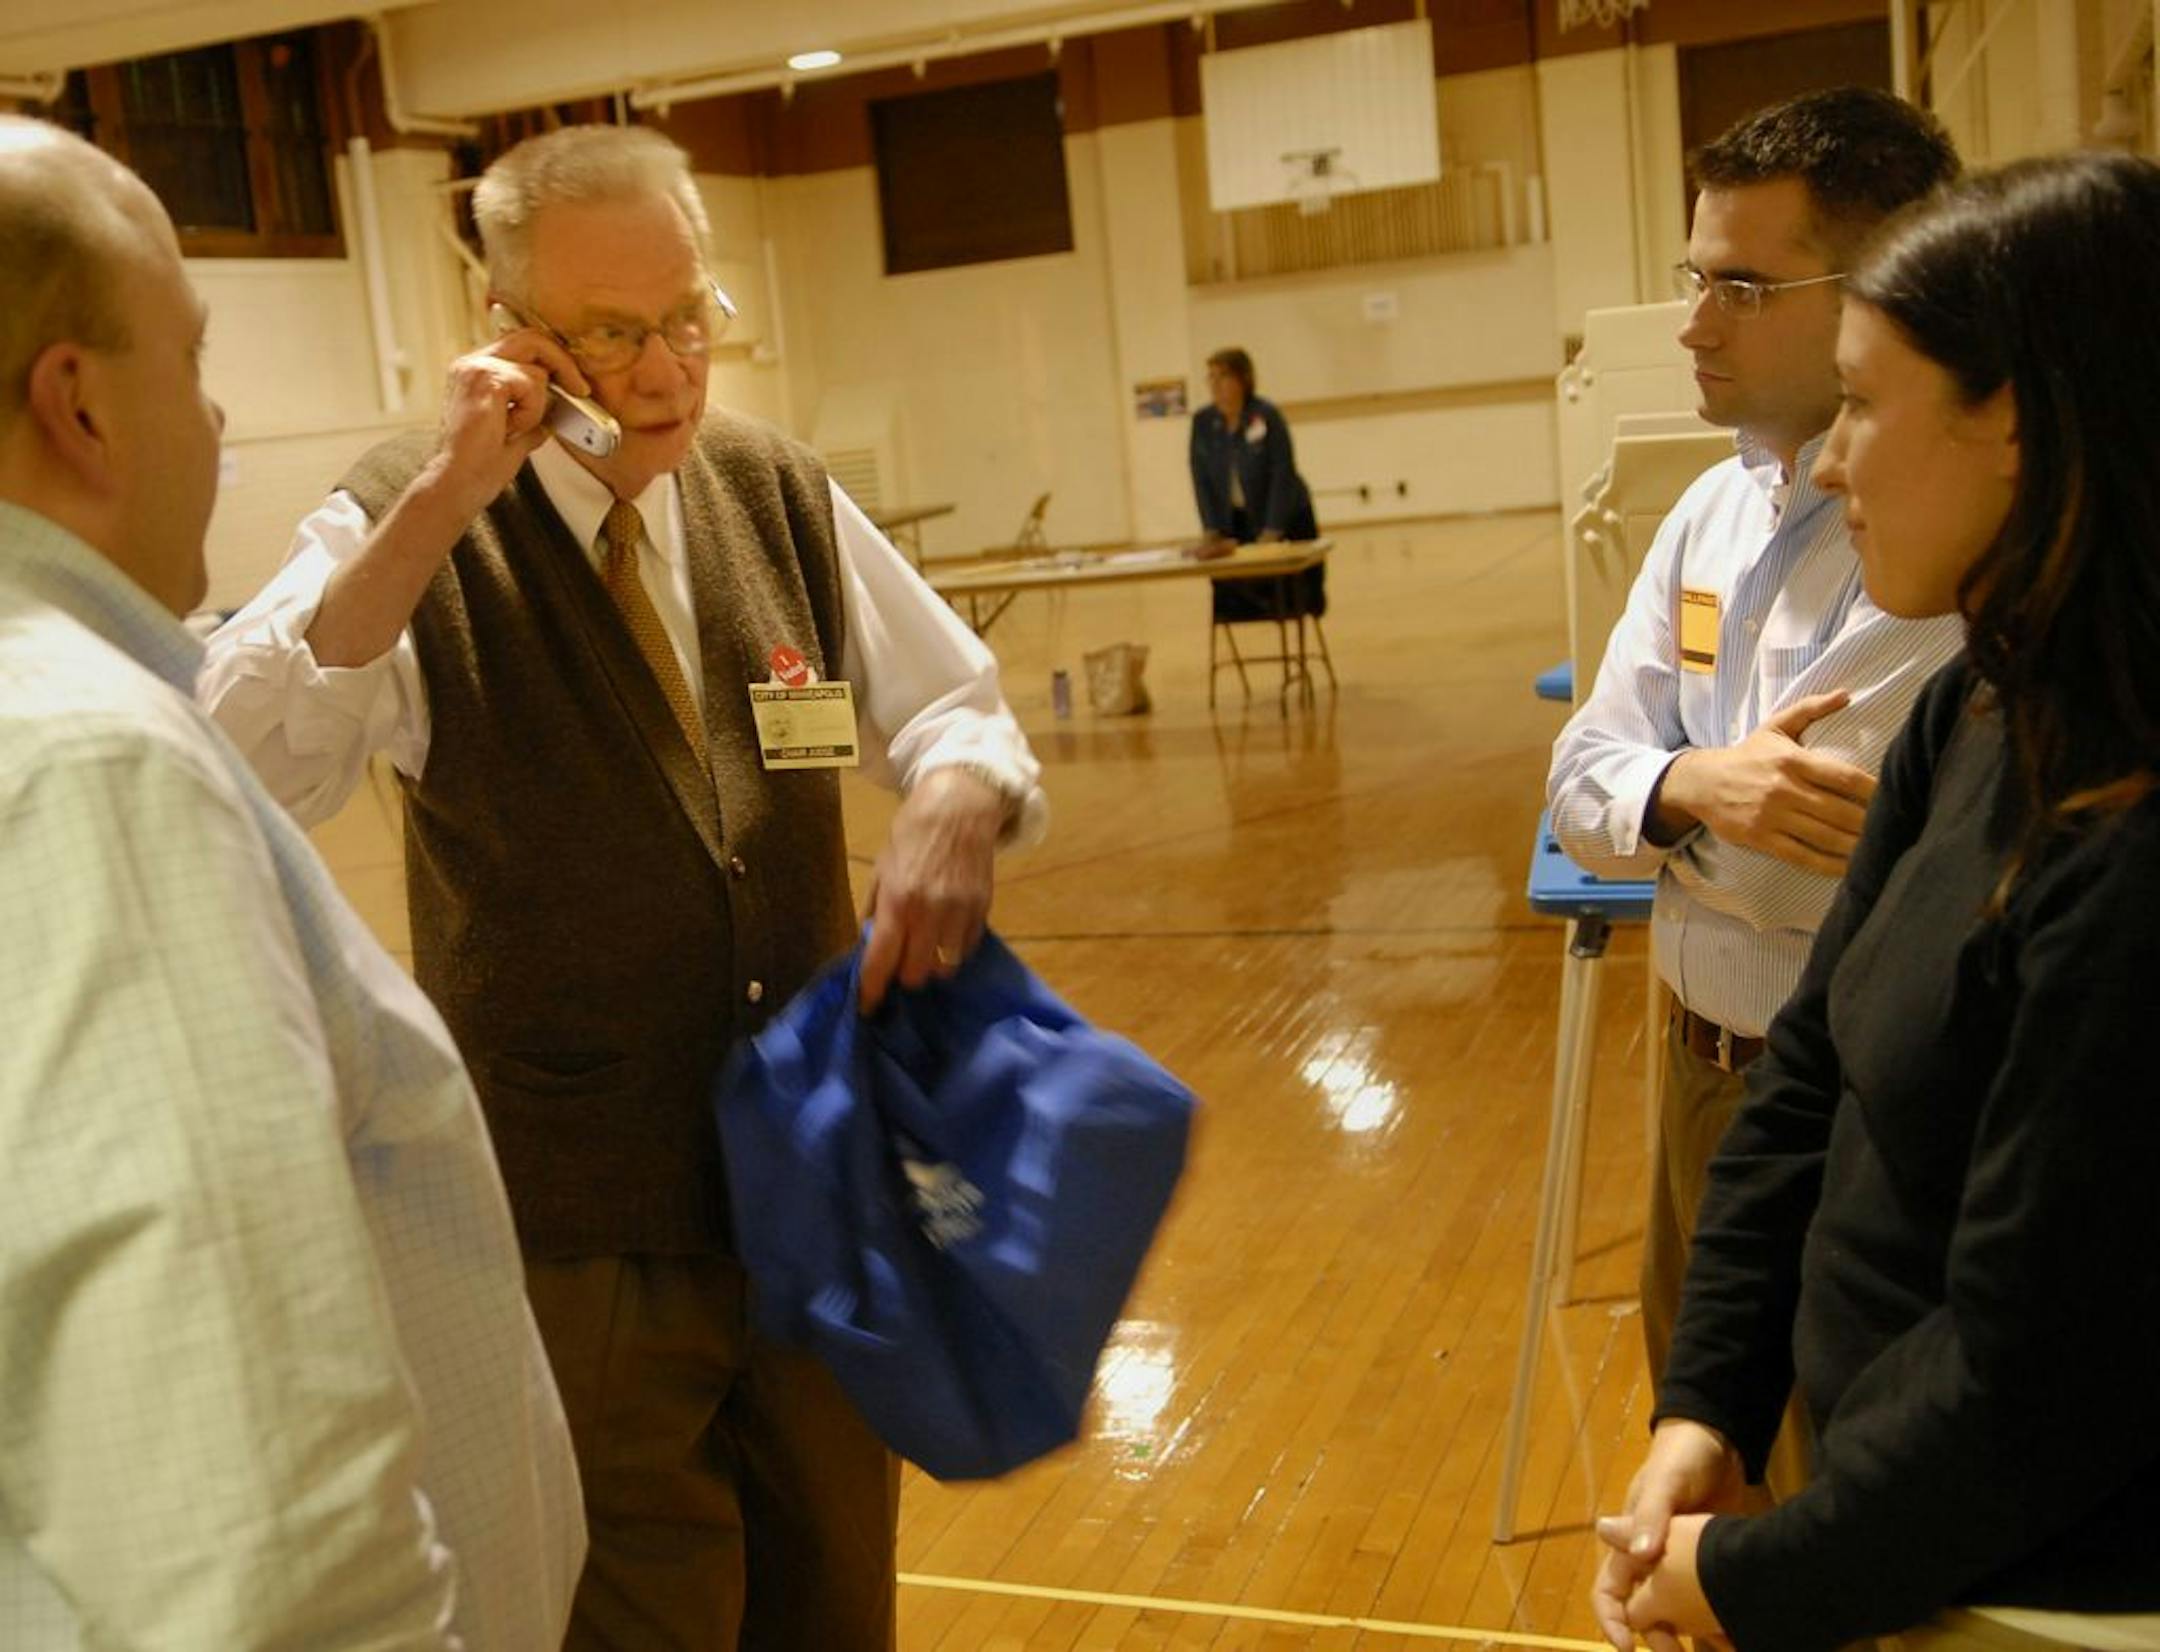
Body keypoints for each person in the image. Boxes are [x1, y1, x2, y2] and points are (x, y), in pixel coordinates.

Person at [200, 123, 1044, 1650]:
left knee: (837, 1586)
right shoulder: (411, 517)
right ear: (511, 329)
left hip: (814, 1178)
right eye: (608, 334)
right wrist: (448, 494)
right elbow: (248, 757)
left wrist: (959, 798)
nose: (663, 373)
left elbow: (956, 701)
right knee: (635, 1614)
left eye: (687, 319)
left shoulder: (774, 488)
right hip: (579, 1214)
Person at [0, 118, 581, 1648]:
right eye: (189, 364)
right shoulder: (89, 767)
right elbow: (257, 1531)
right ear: (81, 409)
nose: (217, 415)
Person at [1592, 149, 2160, 1652]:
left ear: (2014, 425)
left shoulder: (2127, 838)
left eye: (1863, 404)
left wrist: (1756, 1581)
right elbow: (1811, 1077)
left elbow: (2034, 1371)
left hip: (2049, 1592)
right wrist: (1704, 1408)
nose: (1833, 462)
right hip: (1902, 1536)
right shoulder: (1977, 705)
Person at [1545, 87, 1963, 1491]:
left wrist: (1670, 818)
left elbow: (1819, 856)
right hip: (1692, 1068)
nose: (1692, 321)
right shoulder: (1706, 514)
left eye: (1740, 284)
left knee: (1832, 1491)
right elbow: (1580, 782)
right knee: (1702, 1449)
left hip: (1850, 1101)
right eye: (1692, 277)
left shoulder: (1935, 544)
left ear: (1880, 287)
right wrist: (1697, 786)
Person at [1189, 345, 1326, 621]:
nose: (1215, 384)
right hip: (1238, 519)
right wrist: (1211, 527)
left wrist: (1273, 528)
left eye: (1223, 376)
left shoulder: (1265, 415)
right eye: (1211, 377)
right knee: (1234, 590)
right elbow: (1201, 478)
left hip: (1284, 517)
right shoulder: (1204, 422)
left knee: (1292, 594)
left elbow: (1282, 471)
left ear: (1243, 379)